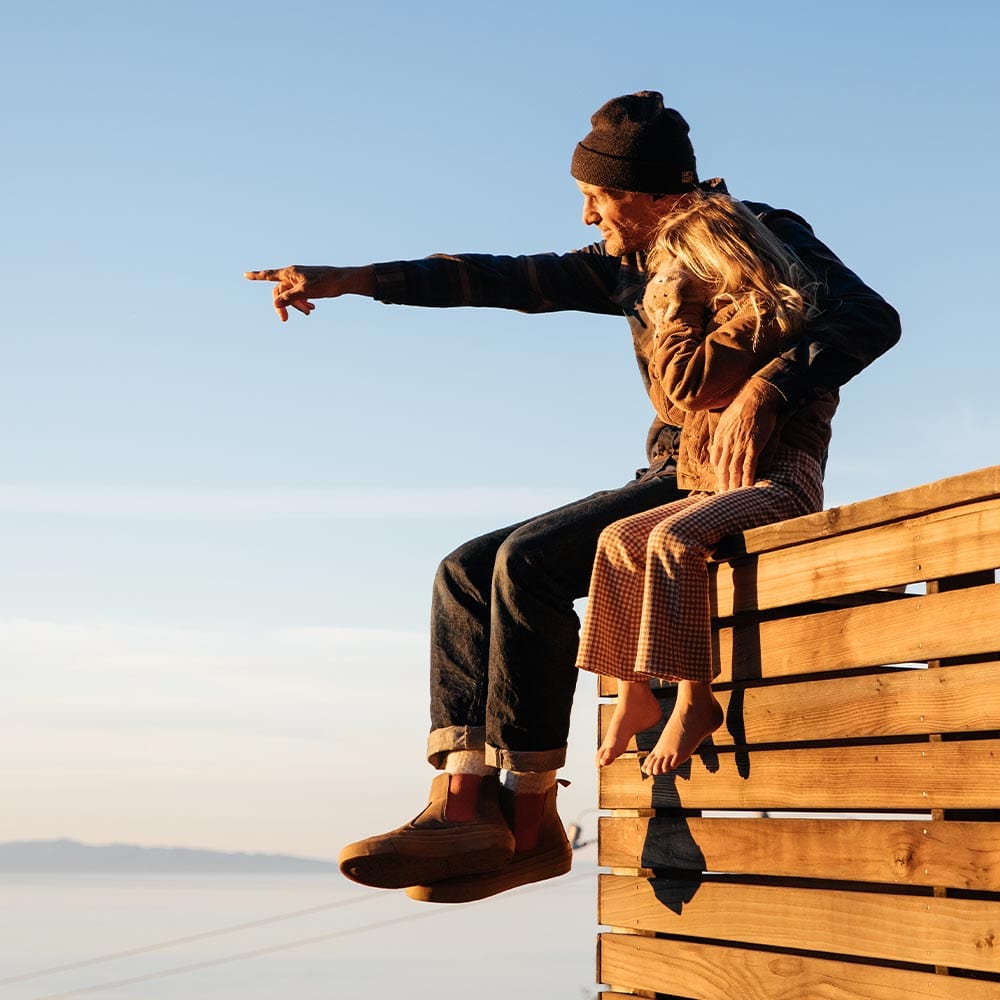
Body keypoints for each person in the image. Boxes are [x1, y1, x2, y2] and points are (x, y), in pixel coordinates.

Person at [244, 91, 900, 903]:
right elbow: (502, 278)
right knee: (462, 569)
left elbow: (869, 314)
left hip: (724, 471)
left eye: (598, 197)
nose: (588, 216)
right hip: (664, 466)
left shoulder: (758, 236)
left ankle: (530, 821)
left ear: (653, 193)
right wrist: (353, 279)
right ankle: (461, 801)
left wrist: (772, 384)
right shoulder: (631, 267)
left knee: (530, 566)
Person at [576, 189, 834, 777]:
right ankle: (633, 693)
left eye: (678, 270)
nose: (666, 284)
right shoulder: (727, 321)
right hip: (719, 488)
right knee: (618, 539)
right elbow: (670, 401)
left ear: (711, 261)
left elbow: (691, 386)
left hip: (778, 486)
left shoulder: (766, 316)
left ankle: (695, 698)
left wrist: (677, 310)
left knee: (672, 541)